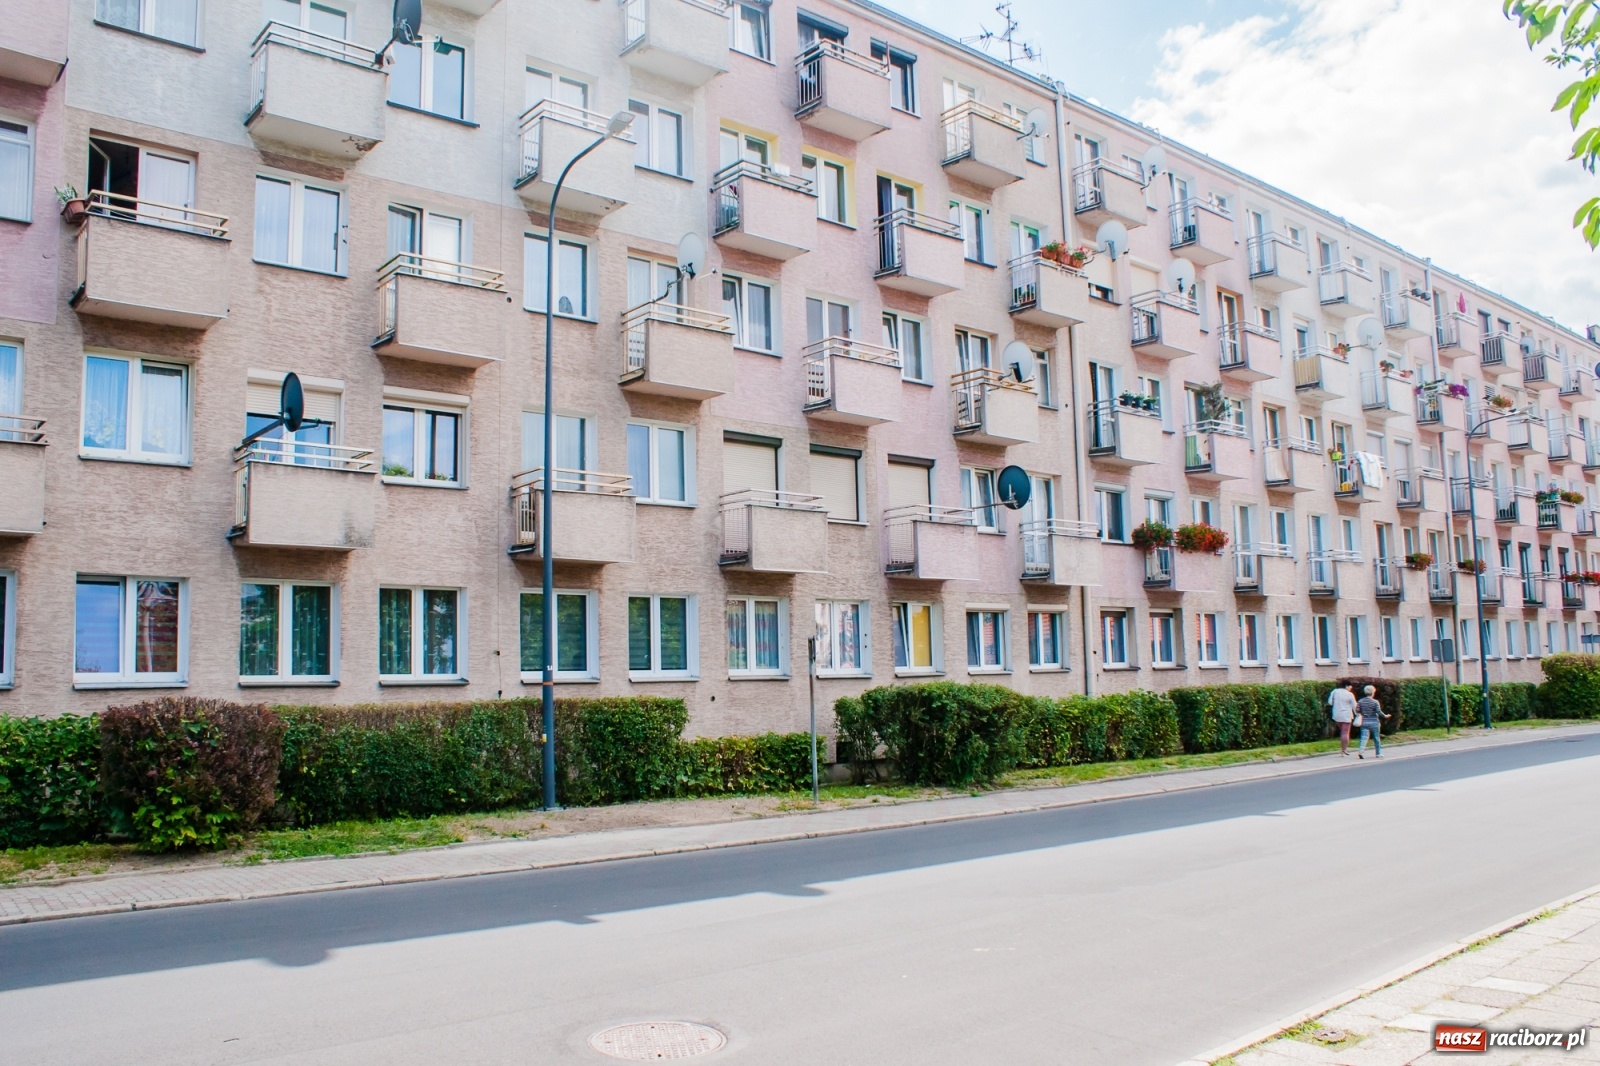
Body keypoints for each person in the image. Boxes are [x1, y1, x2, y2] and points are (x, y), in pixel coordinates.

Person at [1356, 685, 1389, 758]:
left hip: (1364, 722)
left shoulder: (1360, 701)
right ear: (1373, 692)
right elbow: (1378, 711)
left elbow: (1357, 711)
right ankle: (1378, 753)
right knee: (1376, 738)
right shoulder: (1375, 702)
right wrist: (1385, 716)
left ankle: (1361, 752)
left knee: (1364, 738)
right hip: (1374, 722)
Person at [1328, 681, 1357, 755]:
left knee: (1342, 732)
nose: (1351, 687)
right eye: (1350, 686)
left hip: (1337, 714)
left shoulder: (1334, 692)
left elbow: (1330, 702)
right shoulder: (1349, 694)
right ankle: (1344, 749)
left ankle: (1343, 748)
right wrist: (1358, 715)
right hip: (1346, 715)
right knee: (1345, 733)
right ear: (1346, 686)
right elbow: (1355, 706)